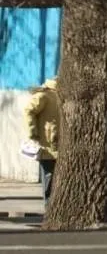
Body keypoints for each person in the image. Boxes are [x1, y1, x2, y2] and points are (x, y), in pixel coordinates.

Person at [24, 77, 60, 211]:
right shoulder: (45, 95)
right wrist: (33, 132)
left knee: (54, 175)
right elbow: (29, 110)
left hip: (58, 143)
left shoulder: (60, 95)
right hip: (48, 144)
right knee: (49, 175)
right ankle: (48, 205)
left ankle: (51, 204)